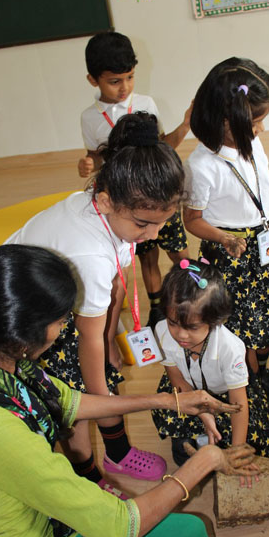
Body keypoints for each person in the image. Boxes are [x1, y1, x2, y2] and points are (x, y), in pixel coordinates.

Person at [0, 244, 255, 537]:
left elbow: (71, 403)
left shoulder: (2, 363)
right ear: (23, 332)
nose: (65, 330)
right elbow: (119, 527)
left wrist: (169, 401)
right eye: (61, 321)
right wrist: (206, 460)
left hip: (22, 511)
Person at [5, 113, 185, 494]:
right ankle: (88, 476)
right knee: (73, 404)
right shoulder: (88, 255)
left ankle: (116, 453)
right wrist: (99, 386)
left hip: (63, 304)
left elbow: (116, 285)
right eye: (143, 224)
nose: (152, 235)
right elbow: (87, 342)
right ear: (105, 201)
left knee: (101, 378)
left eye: (162, 224)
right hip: (21, 322)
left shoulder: (102, 209)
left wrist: (110, 341)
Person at [183, 57, 269, 435]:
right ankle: (251, 388)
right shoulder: (202, 165)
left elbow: (260, 199)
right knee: (247, 329)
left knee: (266, 324)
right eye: (253, 122)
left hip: (265, 243)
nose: (261, 128)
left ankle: (261, 374)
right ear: (223, 120)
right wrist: (224, 239)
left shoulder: (252, 144)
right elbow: (192, 219)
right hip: (232, 254)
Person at [78, 32, 191, 328]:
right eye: (115, 81)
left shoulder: (145, 103)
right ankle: (156, 308)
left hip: (160, 195)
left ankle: (190, 292)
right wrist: (89, 163)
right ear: (93, 80)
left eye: (129, 77)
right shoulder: (89, 118)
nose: (124, 87)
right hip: (129, 204)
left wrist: (186, 124)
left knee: (179, 250)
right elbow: (98, 157)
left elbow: (164, 145)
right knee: (147, 258)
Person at [151, 259, 269, 472]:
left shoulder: (230, 348)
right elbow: (176, 379)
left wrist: (237, 453)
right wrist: (202, 411)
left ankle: (210, 441)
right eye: (173, 323)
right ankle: (195, 437)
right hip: (188, 390)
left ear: (214, 320)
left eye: (192, 327)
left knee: (253, 438)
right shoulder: (162, 331)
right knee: (167, 408)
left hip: (226, 396)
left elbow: (238, 402)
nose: (180, 334)